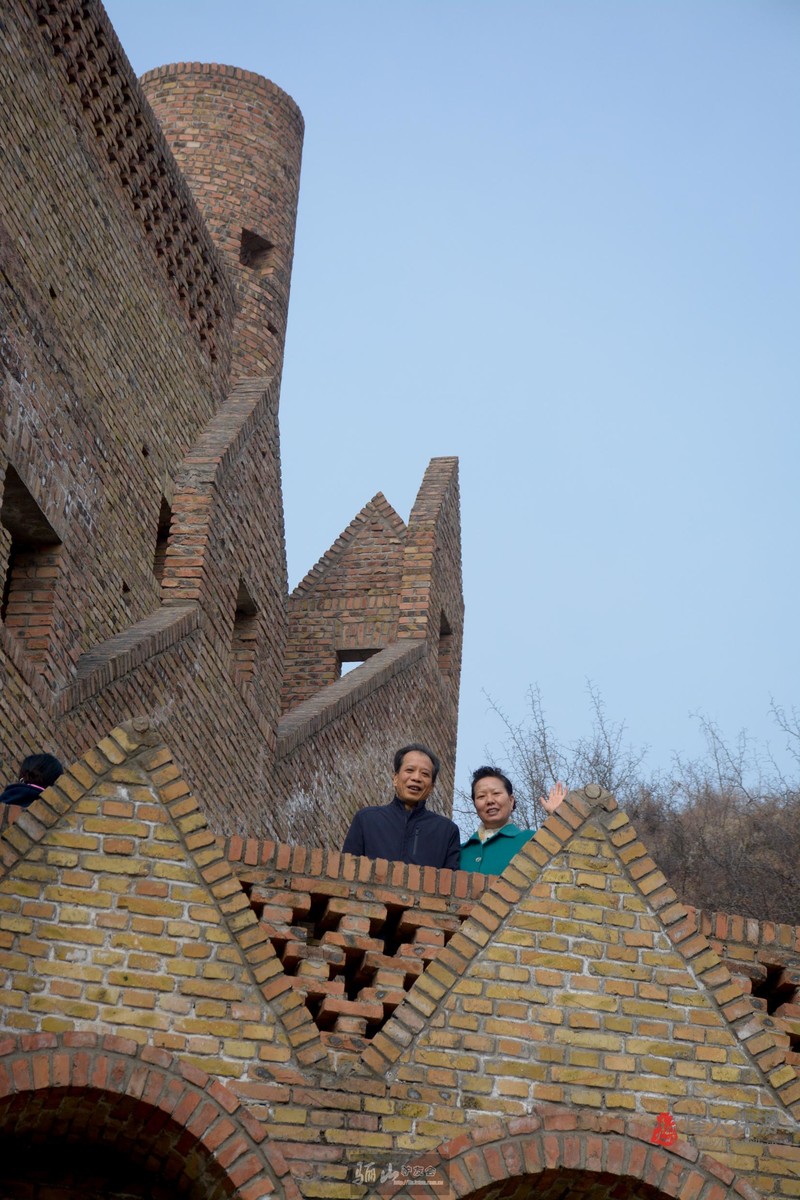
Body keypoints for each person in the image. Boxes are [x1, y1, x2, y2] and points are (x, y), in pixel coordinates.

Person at [342, 743, 461, 869]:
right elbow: (346, 870)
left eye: (425, 774)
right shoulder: (367, 820)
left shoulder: (446, 831)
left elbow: (450, 879)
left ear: (431, 787)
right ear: (395, 778)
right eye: (410, 770)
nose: (416, 778)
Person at [459, 766, 566, 874]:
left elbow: (564, 858)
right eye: (481, 796)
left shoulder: (531, 840)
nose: (490, 801)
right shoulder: (460, 852)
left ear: (511, 801)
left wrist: (558, 817)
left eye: (496, 793)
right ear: (475, 805)